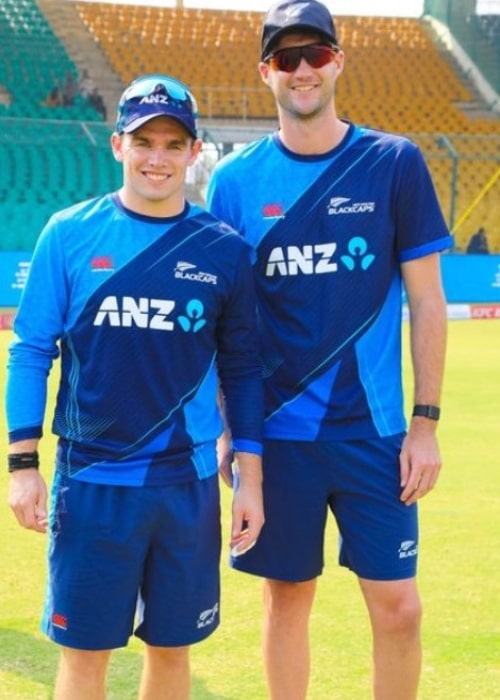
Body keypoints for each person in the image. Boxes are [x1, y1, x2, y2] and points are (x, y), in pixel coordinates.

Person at [206, 2, 453, 698]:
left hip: (375, 431)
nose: (304, 69)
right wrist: (233, 435)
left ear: (339, 61)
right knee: (287, 600)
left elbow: (428, 301)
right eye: (287, 58)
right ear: (267, 74)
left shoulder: (393, 163)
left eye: (316, 53)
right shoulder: (234, 183)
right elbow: (227, 324)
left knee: (400, 609)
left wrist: (425, 424)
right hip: (278, 434)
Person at [6, 74, 264, 700]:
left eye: (173, 144)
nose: (158, 158)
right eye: (144, 140)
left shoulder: (223, 250)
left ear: (193, 152)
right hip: (93, 483)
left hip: (188, 485)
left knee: (171, 654)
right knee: (84, 658)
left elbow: (243, 368)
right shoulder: (69, 234)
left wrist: (249, 478)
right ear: (117, 144)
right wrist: (22, 465)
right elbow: (32, 350)